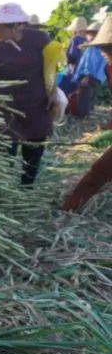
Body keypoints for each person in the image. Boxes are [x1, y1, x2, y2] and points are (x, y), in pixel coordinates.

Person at [0, 3, 57, 186]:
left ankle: (26, 186)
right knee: (6, 149)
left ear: (16, 25)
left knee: (34, 148)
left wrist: (53, 91)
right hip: (7, 108)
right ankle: (4, 186)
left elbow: (52, 65)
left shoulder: (39, 39)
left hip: (37, 105)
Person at [62, 17, 112, 210]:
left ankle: (70, 208)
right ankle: (70, 206)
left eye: (106, 48)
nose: (102, 53)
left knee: (100, 170)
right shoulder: (109, 67)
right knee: (99, 171)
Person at [68, 17, 109, 118]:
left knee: (84, 96)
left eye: (90, 33)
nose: (87, 35)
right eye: (88, 33)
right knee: (90, 95)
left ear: (96, 34)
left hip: (90, 76)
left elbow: (90, 65)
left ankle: (82, 116)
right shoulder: (96, 47)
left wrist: (86, 76)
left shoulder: (95, 49)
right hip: (96, 77)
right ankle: (88, 112)